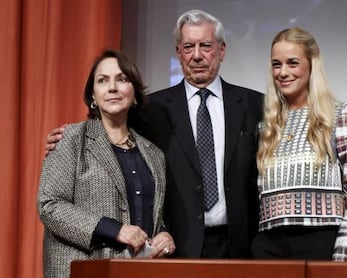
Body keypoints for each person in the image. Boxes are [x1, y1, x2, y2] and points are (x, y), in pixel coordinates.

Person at [45, 9, 263, 259]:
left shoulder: (254, 105)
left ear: (222, 50)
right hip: (176, 247)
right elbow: (111, 132)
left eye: (206, 46)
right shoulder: (151, 110)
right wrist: (68, 136)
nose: (197, 55)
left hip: (242, 246)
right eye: (188, 46)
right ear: (178, 53)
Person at [38, 50, 175, 278]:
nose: (112, 87)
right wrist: (116, 230)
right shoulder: (70, 138)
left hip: (139, 272)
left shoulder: (154, 155)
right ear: (93, 94)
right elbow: (49, 205)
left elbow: (153, 214)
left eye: (122, 79)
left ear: (135, 95)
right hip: (82, 270)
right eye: (102, 80)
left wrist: (164, 234)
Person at [251, 27, 347, 261]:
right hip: (269, 245)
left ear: (312, 65)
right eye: (277, 64)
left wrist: (346, 246)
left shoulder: (340, 114)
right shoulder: (266, 125)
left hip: (322, 241)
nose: (283, 72)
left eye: (292, 63)